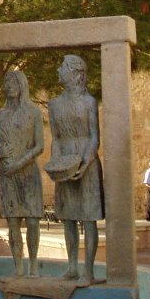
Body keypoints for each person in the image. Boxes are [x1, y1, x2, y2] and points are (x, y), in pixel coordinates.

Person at [46, 55, 105, 287]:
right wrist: (57, 164)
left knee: (88, 218)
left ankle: (88, 271)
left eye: (63, 67)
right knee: (68, 217)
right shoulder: (54, 104)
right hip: (64, 159)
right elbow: (56, 137)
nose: (59, 70)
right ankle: (72, 267)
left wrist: (84, 162)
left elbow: (94, 137)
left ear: (76, 74)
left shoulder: (89, 102)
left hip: (86, 161)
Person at [0, 70, 44, 278]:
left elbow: (39, 146)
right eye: (6, 82)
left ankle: (32, 265)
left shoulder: (33, 112)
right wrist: (0, 153)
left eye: (14, 82)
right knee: (12, 223)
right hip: (7, 174)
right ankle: (18, 267)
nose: (9, 85)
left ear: (22, 85)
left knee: (32, 220)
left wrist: (20, 163)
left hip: (28, 172)